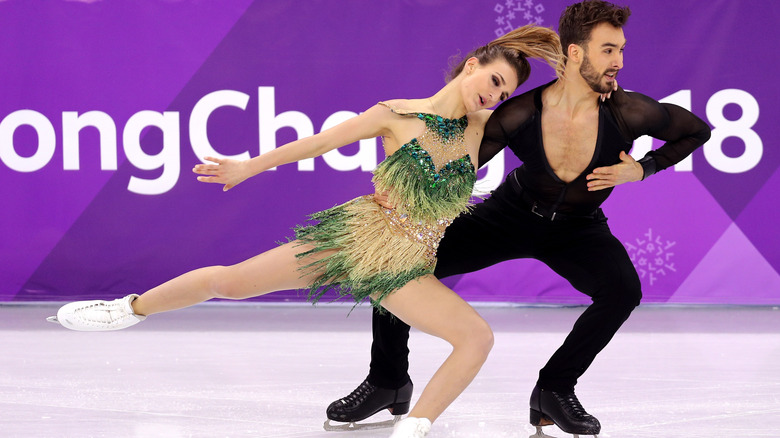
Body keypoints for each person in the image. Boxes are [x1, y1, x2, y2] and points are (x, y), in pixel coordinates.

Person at [46, 25, 563, 438]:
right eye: (493, 81)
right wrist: (248, 166)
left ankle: (414, 428)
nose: (493, 95)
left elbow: (561, 112)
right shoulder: (396, 115)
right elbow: (317, 143)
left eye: (505, 91)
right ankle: (127, 309)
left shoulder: (484, 129)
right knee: (228, 282)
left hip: (407, 263)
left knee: (476, 338)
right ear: (471, 65)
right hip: (360, 236)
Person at [324, 1, 712, 437]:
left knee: (623, 290)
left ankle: (554, 389)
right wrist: (400, 187)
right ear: (577, 54)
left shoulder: (630, 111)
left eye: (620, 49)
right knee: (403, 264)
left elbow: (697, 130)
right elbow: (451, 162)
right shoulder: (520, 112)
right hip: (509, 216)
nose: (619, 61)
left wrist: (643, 168)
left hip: (578, 228)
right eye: (608, 50)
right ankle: (387, 380)